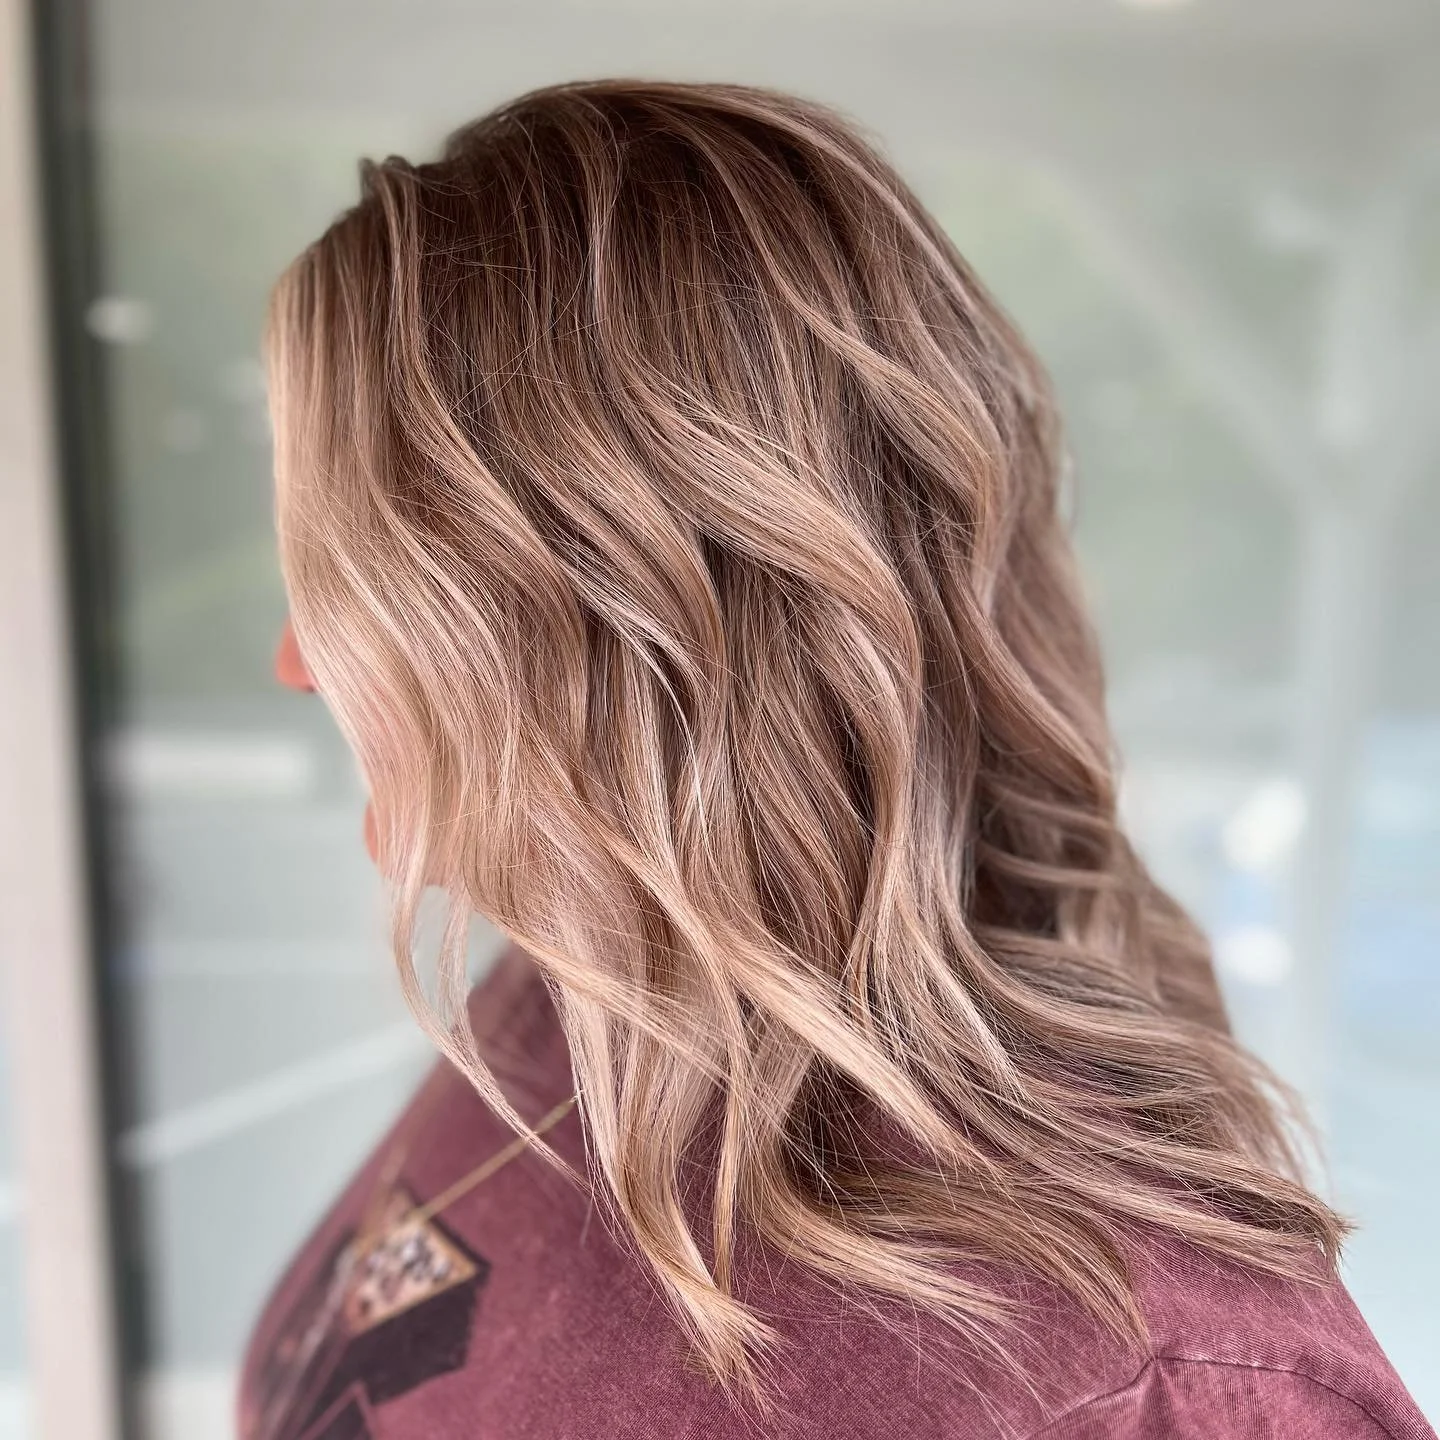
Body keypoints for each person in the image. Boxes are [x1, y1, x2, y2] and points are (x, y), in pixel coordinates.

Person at [241, 79, 1434, 1439]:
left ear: (602, 625)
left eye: (362, 595)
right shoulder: (585, 1002)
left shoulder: (1132, 1382)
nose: (296, 663)